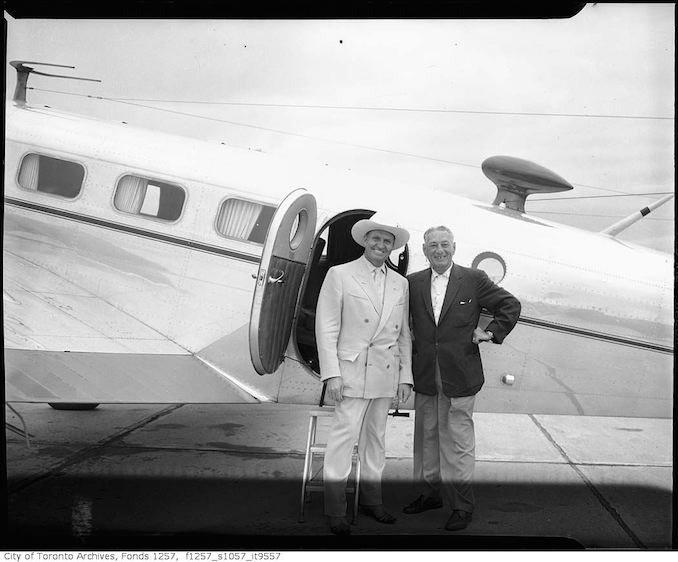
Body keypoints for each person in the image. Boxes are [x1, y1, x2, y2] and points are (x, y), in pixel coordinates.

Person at [403, 225, 520, 531]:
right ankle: (429, 494)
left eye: (444, 244)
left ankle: (462, 506)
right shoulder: (413, 283)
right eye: (432, 246)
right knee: (426, 438)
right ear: (424, 249)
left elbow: (510, 305)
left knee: (458, 442)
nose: (438, 250)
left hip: (461, 375)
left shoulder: (473, 279)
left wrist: (490, 332)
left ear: (453, 246)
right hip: (426, 373)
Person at [316, 214, 413, 536]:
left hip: (385, 374)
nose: (380, 245)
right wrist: (332, 374)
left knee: (376, 440)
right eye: (376, 239)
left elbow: (404, 336)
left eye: (387, 241)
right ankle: (335, 509)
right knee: (343, 439)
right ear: (365, 241)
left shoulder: (402, 283)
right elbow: (326, 327)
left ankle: (373, 500)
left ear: (392, 247)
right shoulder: (340, 274)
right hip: (351, 371)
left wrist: (405, 376)